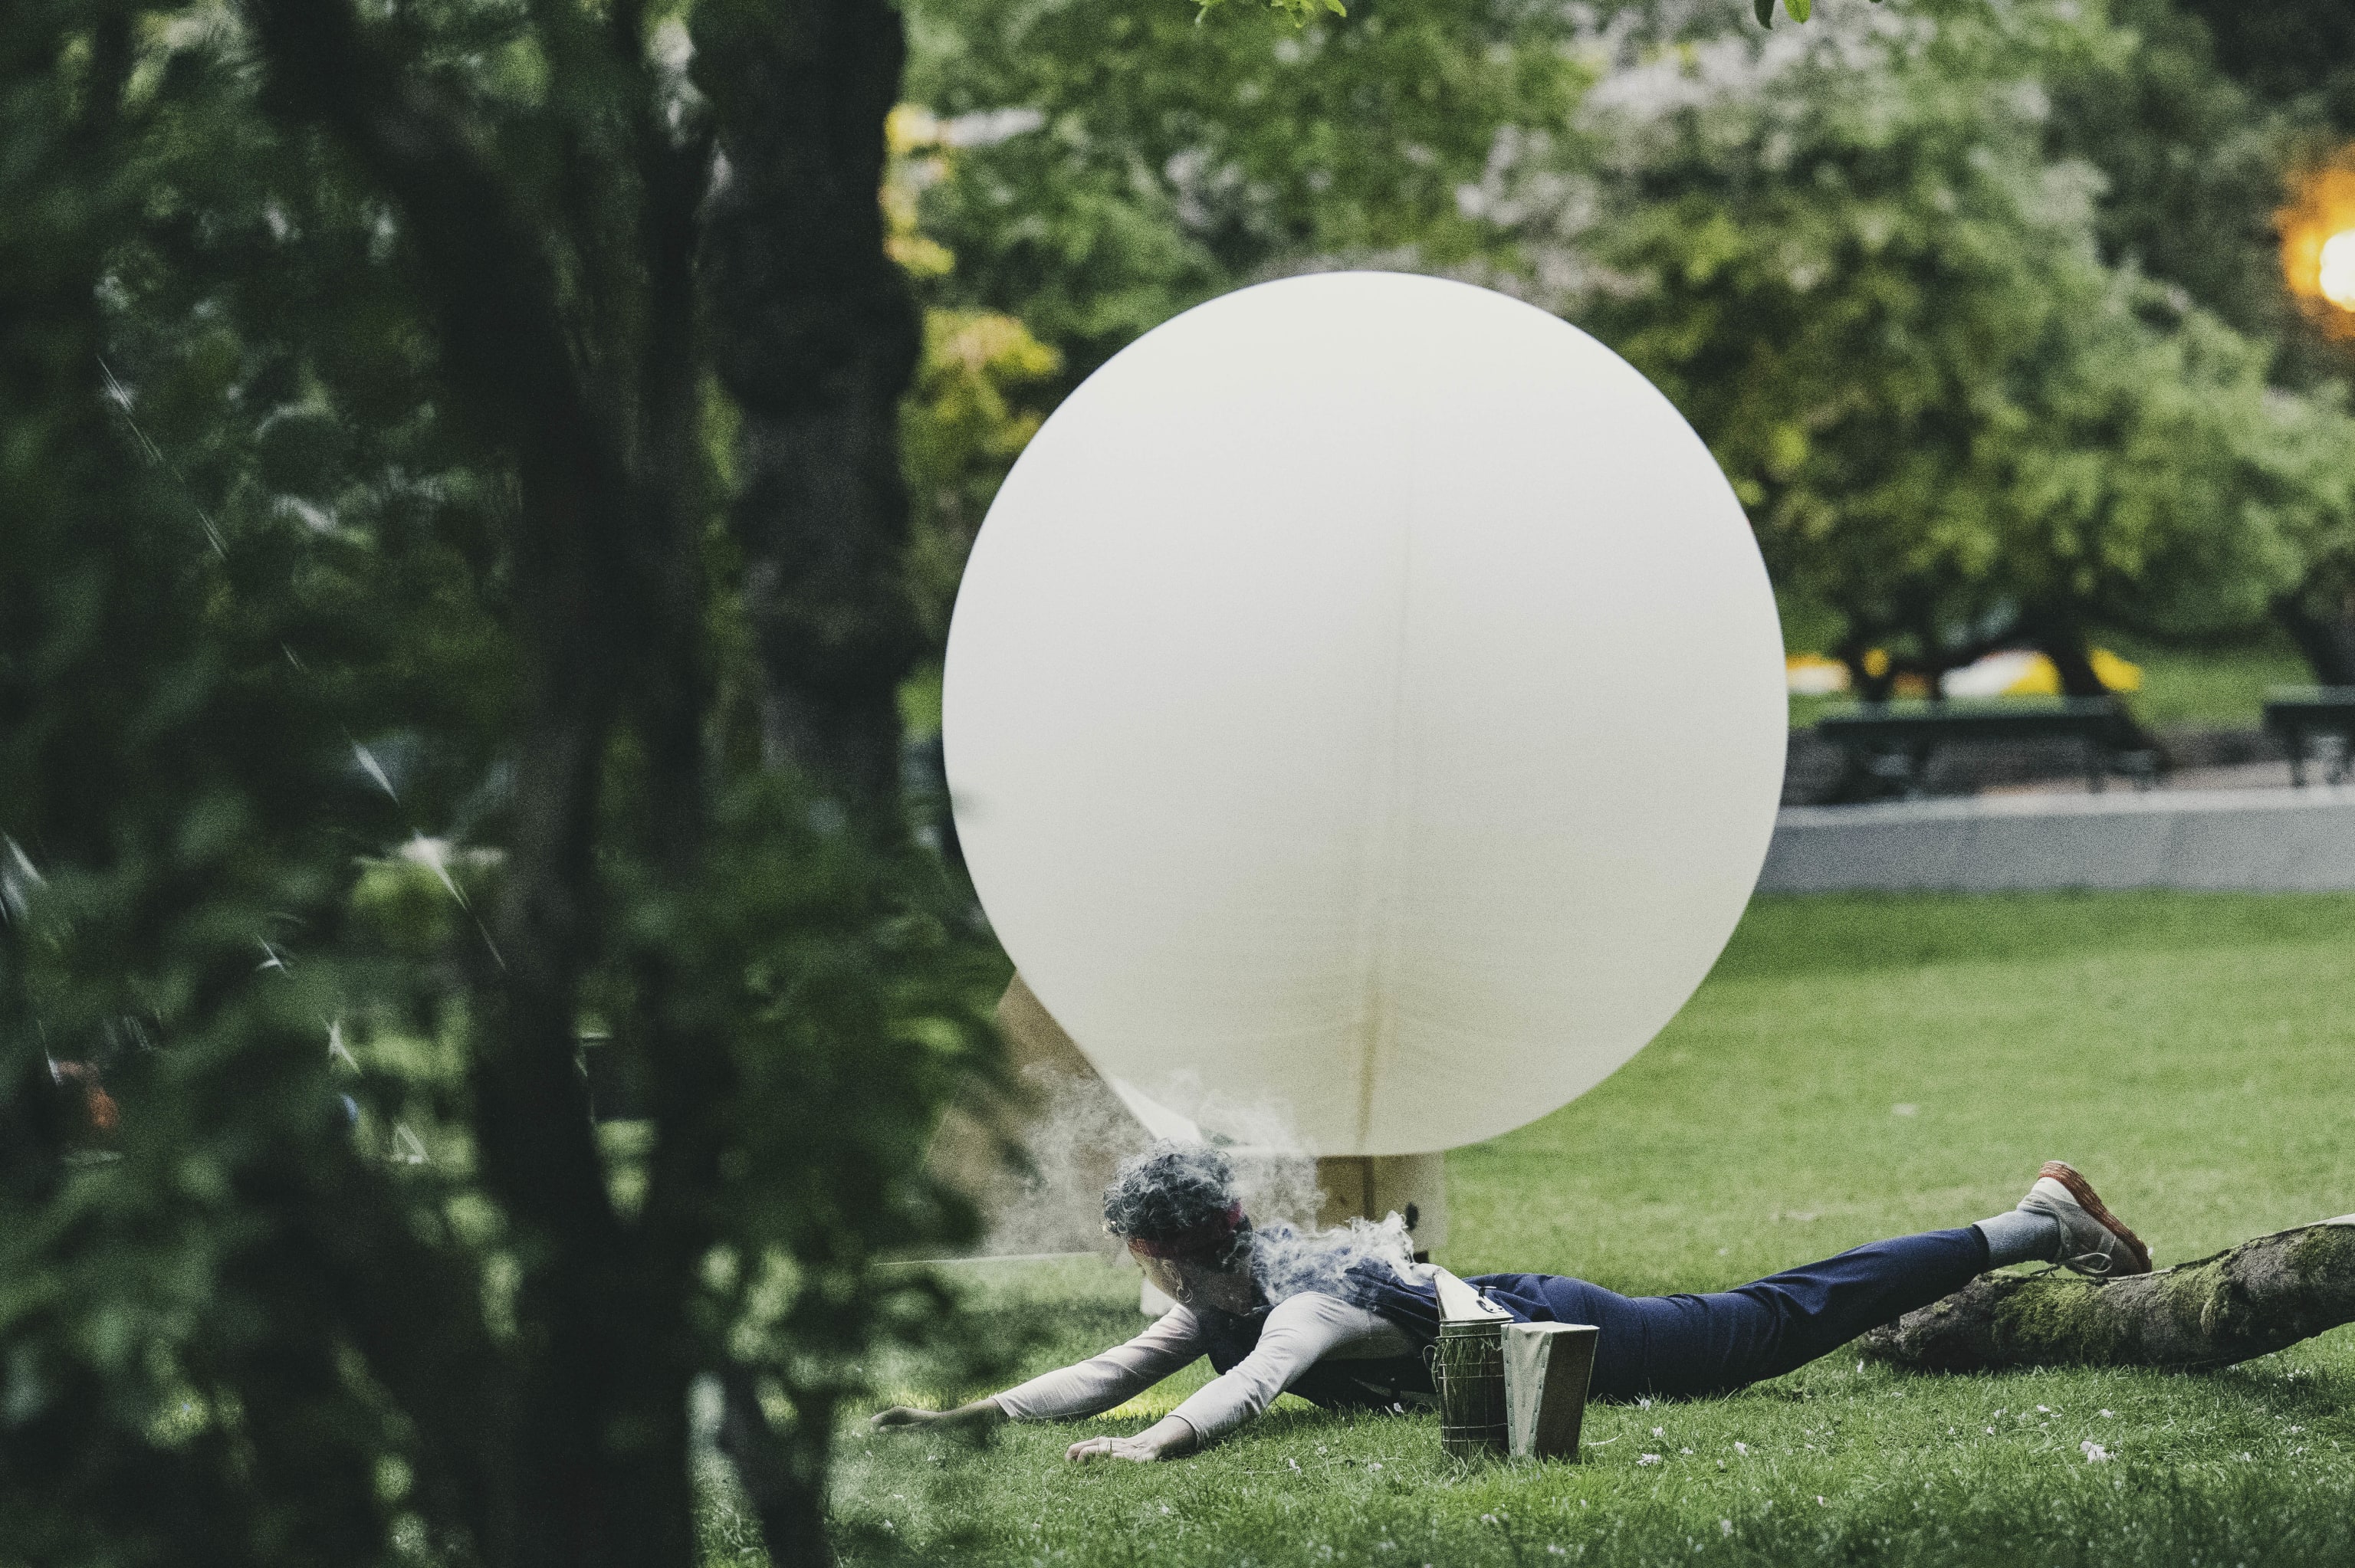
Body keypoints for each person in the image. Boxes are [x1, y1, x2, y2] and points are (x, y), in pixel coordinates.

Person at [870, 1142, 2152, 1463]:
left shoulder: (1300, 1299)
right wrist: (966, 1417)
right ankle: (2020, 1227)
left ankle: (2029, 1222)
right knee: (1780, 1313)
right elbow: (1105, 1370)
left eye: (1134, 1254)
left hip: (1562, 1327)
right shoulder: (1223, 1295)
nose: (1137, 1282)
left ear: (1160, 1249)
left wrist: (1155, 1443)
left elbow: (1249, 1385)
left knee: (1773, 1320)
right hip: (1514, 1328)